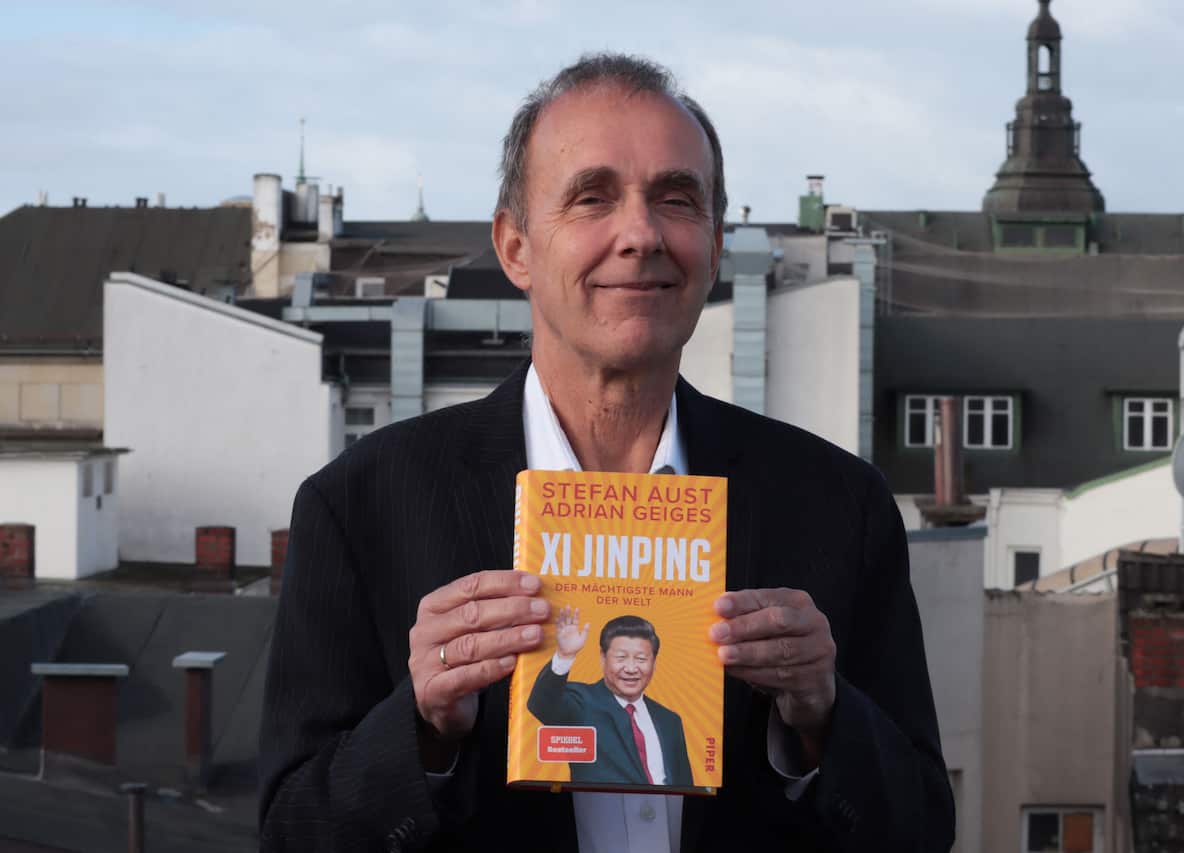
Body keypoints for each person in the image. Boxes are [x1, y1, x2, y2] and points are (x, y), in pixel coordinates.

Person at [259, 53, 954, 852]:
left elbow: (923, 828)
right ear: (515, 247)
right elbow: (288, 833)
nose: (641, 234)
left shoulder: (840, 507)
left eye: (676, 199)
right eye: (593, 197)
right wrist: (422, 728)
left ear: (716, 245)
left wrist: (823, 717)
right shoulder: (359, 508)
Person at [526, 611, 693, 788]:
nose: (631, 668)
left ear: (654, 662)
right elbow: (541, 704)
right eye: (621, 658)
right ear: (603, 658)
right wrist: (565, 656)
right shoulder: (581, 702)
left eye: (641, 659)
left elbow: (685, 783)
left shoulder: (670, 720)